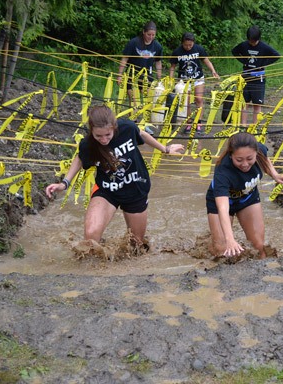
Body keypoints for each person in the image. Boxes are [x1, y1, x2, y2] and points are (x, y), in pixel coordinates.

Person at [45, 105, 183, 246]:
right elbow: (80, 158)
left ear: (114, 128)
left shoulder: (127, 128)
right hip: (107, 190)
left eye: (108, 135)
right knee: (90, 236)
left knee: (136, 245)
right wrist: (64, 183)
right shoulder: (88, 144)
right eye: (98, 135)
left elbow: (141, 134)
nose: (104, 140)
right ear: (91, 130)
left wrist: (165, 149)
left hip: (135, 188)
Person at [206, 132, 283, 259]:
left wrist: (275, 175)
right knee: (222, 250)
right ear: (231, 155)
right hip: (223, 203)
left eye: (249, 159)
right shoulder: (222, 172)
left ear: (256, 153)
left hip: (248, 198)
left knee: (258, 245)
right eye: (239, 160)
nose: (245, 164)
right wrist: (230, 239)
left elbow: (265, 159)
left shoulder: (259, 149)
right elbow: (223, 208)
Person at [169, 32, 220, 132]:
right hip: (184, 81)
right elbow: (172, 67)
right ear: (182, 43)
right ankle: (188, 123)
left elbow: (206, 60)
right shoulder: (177, 52)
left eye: (190, 45)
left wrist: (213, 71)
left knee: (199, 99)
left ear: (193, 43)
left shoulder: (198, 49)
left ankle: (198, 122)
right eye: (186, 45)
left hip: (198, 78)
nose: (188, 47)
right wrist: (171, 80)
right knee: (186, 102)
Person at [231, 25, 280, 126]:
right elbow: (234, 51)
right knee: (244, 103)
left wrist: (264, 63)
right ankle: (243, 125)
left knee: (257, 104)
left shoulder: (264, 47)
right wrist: (243, 60)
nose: (252, 43)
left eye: (254, 41)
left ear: (258, 39)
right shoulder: (244, 45)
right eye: (250, 41)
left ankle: (255, 126)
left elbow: (276, 55)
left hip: (258, 78)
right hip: (246, 76)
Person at [117, 21, 163, 107]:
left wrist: (159, 79)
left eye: (153, 35)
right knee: (134, 101)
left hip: (147, 75)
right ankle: (133, 119)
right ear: (143, 32)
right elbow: (125, 58)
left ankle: (150, 119)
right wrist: (119, 75)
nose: (151, 37)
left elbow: (158, 62)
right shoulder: (134, 43)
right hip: (133, 74)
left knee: (150, 99)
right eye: (149, 34)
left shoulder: (157, 46)